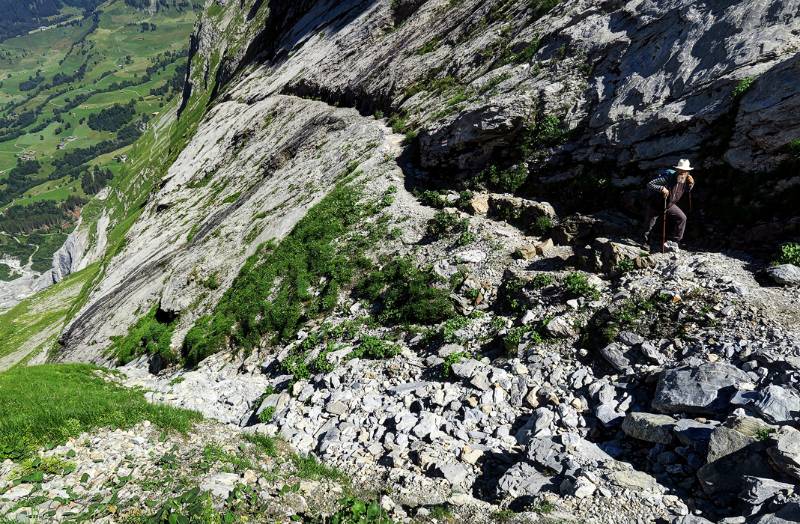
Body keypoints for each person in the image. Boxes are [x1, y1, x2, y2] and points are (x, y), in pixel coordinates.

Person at [643, 158, 695, 252]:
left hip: (669, 204)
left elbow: (687, 190)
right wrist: (662, 188)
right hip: (656, 204)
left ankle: (675, 241)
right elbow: (650, 184)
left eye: (685, 171)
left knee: (682, 218)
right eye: (681, 170)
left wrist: (691, 184)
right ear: (677, 170)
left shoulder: (686, 179)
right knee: (649, 226)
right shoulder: (668, 177)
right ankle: (645, 243)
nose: (683, 172)